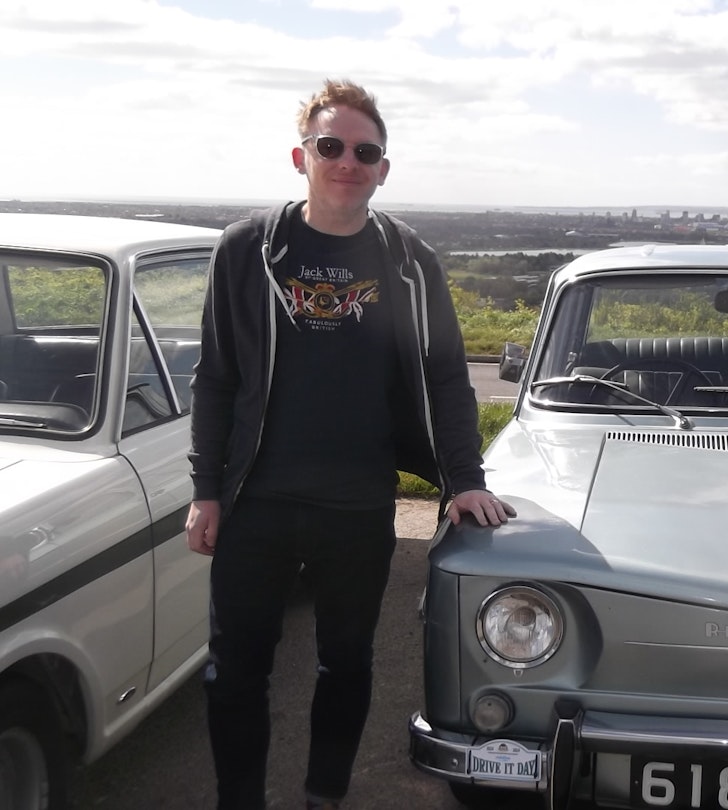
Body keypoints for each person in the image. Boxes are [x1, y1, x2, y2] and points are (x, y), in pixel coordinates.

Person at [185, 78, 516, 810]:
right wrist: (205, 490)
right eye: (330, 146)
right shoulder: (247, 251)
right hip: (255, 500)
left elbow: (443, 376)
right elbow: (216, 378)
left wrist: (464, 477)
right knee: (235, 670)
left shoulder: (406, 259)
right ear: (300, 157)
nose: (347, 162)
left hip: (358, 501)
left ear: (383, 169)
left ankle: (322, 796)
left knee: (346, 662)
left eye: (365, 152)